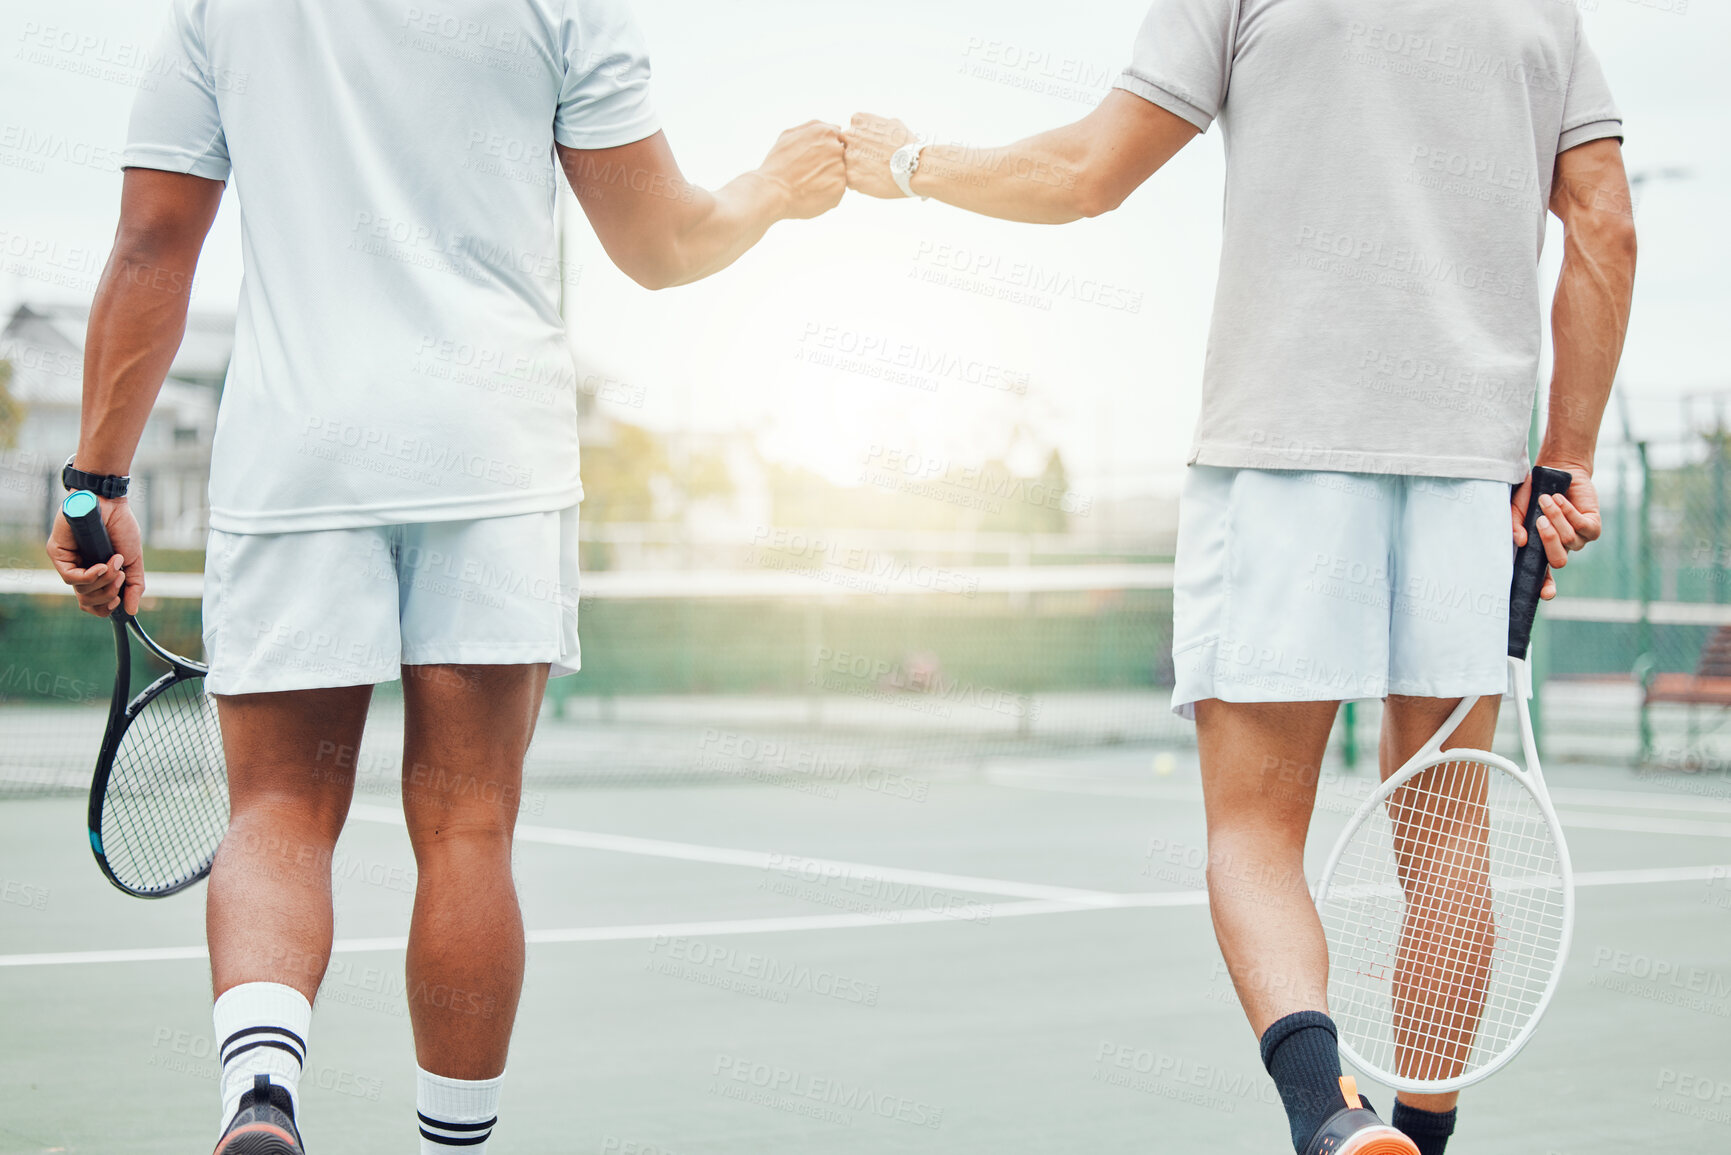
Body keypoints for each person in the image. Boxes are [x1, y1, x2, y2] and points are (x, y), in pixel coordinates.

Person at [46, 1, 844, 1151]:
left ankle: (261, 1096)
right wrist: (772, 184)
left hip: (299, 449)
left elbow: (152, 245)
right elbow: (661, 245)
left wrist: (92, 483)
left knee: (278, 808)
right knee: (469, 825)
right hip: (492, 451)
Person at [841, 3, 1635, 1153]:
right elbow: (1604, 225)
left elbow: (1084, 174)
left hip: (1279, 462)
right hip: (1474, 478)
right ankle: (1421, 1136)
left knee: (1256, 832)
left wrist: (911, 164)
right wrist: (1563, 461)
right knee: (1450, 831)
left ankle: (1330, 1119)